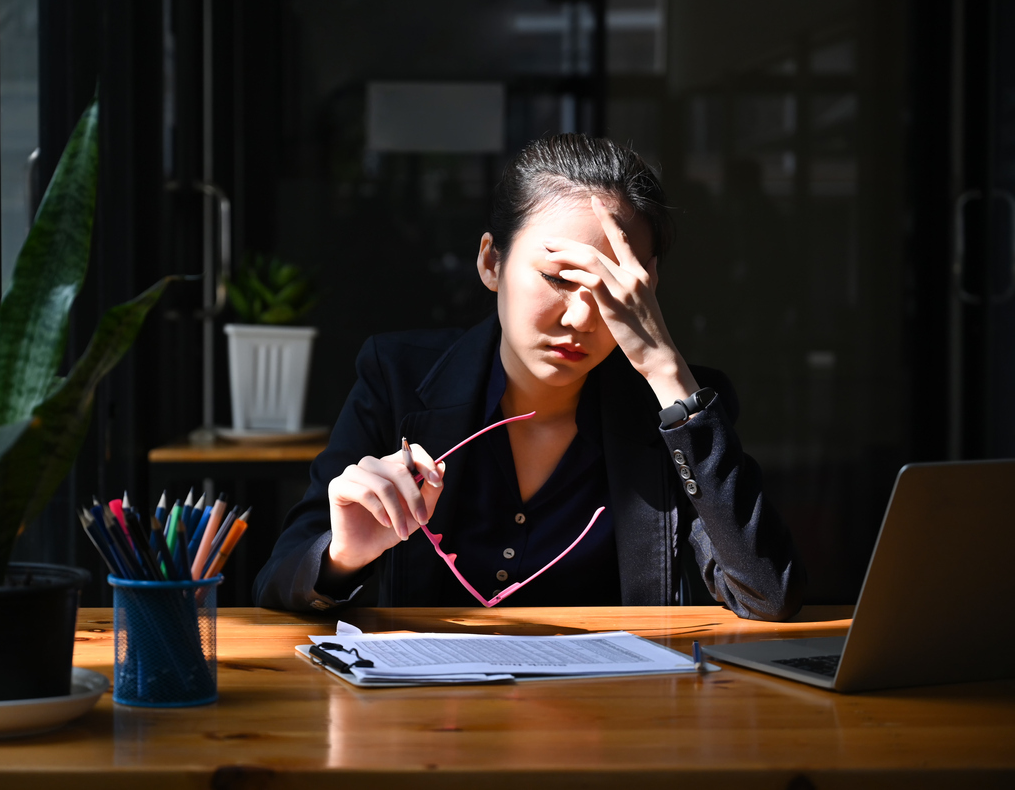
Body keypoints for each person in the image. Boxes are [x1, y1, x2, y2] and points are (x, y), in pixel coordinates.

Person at [253, 135, 805, 620]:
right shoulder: (397, 377)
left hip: (614, 722)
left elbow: (766, 594)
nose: (581, 319)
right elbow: (277, 581)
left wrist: (664, 369)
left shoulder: (677, 410)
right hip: (429, 722)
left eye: (612, 291)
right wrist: (343, 557)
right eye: (558, 279)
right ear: (491, 263)